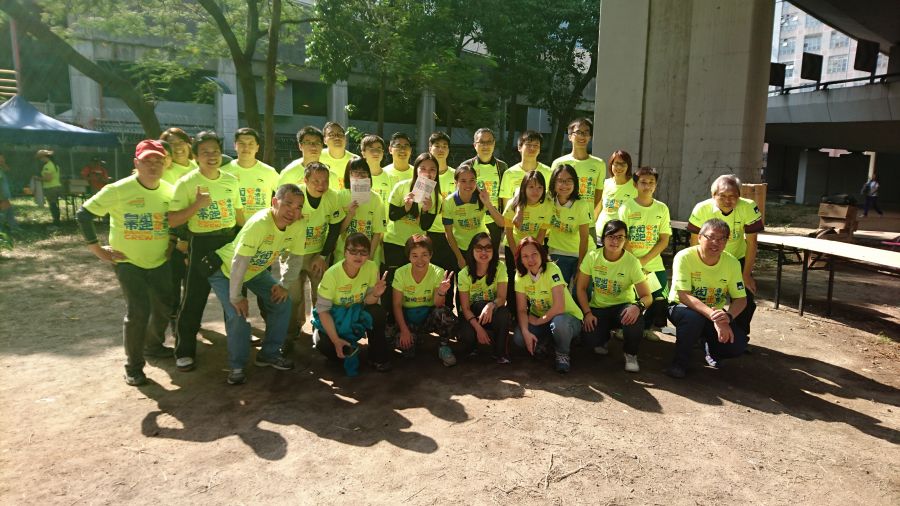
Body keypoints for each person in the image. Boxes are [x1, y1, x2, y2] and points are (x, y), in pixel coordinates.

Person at [75, 140, 175, 386]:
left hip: (160, 261)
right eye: (147, 160)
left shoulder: (169, 191)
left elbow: (176, 221)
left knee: (164, 306)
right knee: (138, 312)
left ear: (165, 164)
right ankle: (133, 367)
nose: (153, 165)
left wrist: (172, 242)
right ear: (136, 163)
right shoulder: (118, 190)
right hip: (128, 262)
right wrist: (97, 249)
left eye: (158, 161)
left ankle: (153, 345)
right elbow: (84, 215)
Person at [208, 184, 305, 385]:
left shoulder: (299, 225)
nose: (293, 211)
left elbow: (296, 258)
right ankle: (237, 366)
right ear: (274, 202)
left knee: (282, 301)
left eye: (298, 207)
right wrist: (236, 296)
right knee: (237, 313)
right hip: (226, 270)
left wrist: (285, 285)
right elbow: (239, 262)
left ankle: (269, 354)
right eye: (288, 204)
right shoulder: (259, 224)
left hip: (254, 270)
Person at [168, 131, 245, 373]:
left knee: (234, 295)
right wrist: (197, 205)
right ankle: (184, 351)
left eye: (215, 151)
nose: (211, 156)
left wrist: (245, 240)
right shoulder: (186, 183)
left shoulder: (231, 180)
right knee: (193, 299)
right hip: (201, 243)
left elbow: (238, 214)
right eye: (205, 152)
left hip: (229, 242)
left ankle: (237, 347)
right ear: (196, 156)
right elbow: (172, 220)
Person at [667, 218, 749, 379]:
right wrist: (714, 317)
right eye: (710, 237)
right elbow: (684, 295)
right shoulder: (684, 257)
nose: (715, 243)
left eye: (721, 239)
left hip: (714, 312)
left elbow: (741, 299)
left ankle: (710, 348)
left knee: (736, 345)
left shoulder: (732, 263)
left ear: (727, 241)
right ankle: (680, 363)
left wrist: (727, 317)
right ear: (699, 237)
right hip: (682, 307)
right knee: (693, 319)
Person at [687, 174, 762, 335]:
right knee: (700, 296)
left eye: (733, 196)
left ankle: (739, 334)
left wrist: (746, 274)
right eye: (722, 196)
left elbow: (752, 243)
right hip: (707, 259)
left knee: (746, 299)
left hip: (736, 259)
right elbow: (694, 241)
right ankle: (702, 334)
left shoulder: (748, 207)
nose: (728, 200)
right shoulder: (702, 208)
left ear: (739, 196)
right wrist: (696, 265)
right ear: (713, 195)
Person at [279, 161, 346, 339]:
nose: (321, 185)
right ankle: (291, 332)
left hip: (317, 253)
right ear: (305, 180)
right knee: (293, 297)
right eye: (316, 181)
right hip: (292, 252)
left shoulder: (332, 197)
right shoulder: (295, 196)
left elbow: (335, 228)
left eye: (325, 181)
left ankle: (320, 328)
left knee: (321, 294)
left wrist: (323, 256)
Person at [576, 220, 653, 373]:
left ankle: (630, 354)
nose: (615, 241)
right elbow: (581, 288)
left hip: (623, 307)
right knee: (589, 339)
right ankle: (603, 338)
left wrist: (638, 306)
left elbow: (647, 296)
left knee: (634, 318)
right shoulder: (592, 256)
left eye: (620, 237)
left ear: (626, 240)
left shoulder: (632, 262)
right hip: (599, 307)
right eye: (610, 236)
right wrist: (587, 313)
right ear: (603, 238)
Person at [312, 232, 392, 374]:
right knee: (324, 345)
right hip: (334, 316)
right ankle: (339, 346)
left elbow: (368, 302)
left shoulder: (371, 267)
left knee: (378, 312)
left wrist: (375, 294)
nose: (358, 256)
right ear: (345, 252)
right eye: (353, 251)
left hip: (356, 313)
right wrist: (336, 340)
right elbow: (323, 311)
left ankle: (377, 356)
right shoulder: (332, 274)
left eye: (363, 252)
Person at [512, 236, 583, 373]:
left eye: (534, 254)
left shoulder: (552, 269)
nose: (530, 260)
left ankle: (562, 353)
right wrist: (526, 332)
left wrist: (538, 321)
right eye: (525, 256)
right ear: (520, 259)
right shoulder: (520, 276)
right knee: (519, 337)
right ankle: (545, 343)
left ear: (541, 254)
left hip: (566, 318)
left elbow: (559, 307)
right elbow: (521, 309)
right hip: (543, 319)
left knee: (559, 323)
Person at [387, 234, 459, 367]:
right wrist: (404, 330)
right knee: (406, 351)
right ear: (408, 257)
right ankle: (414, 338)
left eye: (424, 255)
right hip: (408, 319)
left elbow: (438, 304)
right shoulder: (400, 273)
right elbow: (396, 304)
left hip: (428, 317)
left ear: (431, 255)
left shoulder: (438, 272)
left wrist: (441, 291)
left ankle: (443, 346)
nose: (420, 260)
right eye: (415, 255)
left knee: (444, 314)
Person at [382, 153, 441, 313]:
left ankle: (409, 318)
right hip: (394, 242)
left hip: (416, 246)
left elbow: (425, 225)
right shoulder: (401, 186)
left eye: (432, 169)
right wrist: (406, 208)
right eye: (423, 168)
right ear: (416, 170)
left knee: (410, 284)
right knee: (391, 282)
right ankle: (390, 319)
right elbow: (392, 215)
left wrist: (426, 210)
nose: (427, 173)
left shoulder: (436, 196)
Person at [617, 166, 671, 337]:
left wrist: (645, 261)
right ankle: (624, 328)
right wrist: (636, 263)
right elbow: (622, 238)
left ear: (656, 185)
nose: (647, 186)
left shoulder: (662, 208)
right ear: (635, 185)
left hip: (653, 263)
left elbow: (664, 239)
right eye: (643, 182)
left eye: (651, 182)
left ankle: (647, 329)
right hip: (630, 262)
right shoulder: (626, 207)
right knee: (630, 298)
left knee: (660, 298)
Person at [502, 170, 552, 316]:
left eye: (539, 187)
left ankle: (531, 313)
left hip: (535, 248)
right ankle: (512, 313)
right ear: (524, 188)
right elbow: (508, 233)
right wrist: (517, 256)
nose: (535, 191)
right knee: (514, 280)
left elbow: (542, 233)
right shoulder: (513, 205)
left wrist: (534, 254)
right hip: (513, 247)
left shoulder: (548, 206)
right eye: (531, 187)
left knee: (533, 280)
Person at [457, 232, 511, 363]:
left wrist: (491, 305)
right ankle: (473, 348)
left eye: (488, 248)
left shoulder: (500, 267)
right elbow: (465, 308)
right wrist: (478, 328)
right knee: (467, 335)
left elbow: (502, 298)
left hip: (490, 312)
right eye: (479, 248)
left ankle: (500, 353)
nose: (484, 252)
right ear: (472, 250)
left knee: (504, 313)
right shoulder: (464, 274)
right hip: (471, 315)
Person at [443, 164, 505, 270]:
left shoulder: (481, 197)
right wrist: (459, 258)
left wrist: (487, 203)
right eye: (463, 181)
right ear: (456, 182)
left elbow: (501, 223)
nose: (468, 185)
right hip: (461, 248)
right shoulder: (449, 202)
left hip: (482, 247)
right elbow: (448, 233)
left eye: (472, 180)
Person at [458, 128, 508, 249]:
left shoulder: (502, 166)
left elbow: (505, 196)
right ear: (475, 145)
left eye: (489, 142)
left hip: (494, 220)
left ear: (494, 144)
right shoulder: (466, 166)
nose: (485, 146)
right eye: (481, 142)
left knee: (492, 255)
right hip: (472, 220)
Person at [547, 164, 593, 285]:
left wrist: (581, 265)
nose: (564, 185)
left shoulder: (581, 205)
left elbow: (584, 238)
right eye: (560, 181)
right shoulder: (548, 200)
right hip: (557, 252)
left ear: (575, 183)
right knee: (559, 289)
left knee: (581, 289)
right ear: (553, 182)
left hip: (582, 253)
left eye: (569, 181)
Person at [425, 132, 458, 294]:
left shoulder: (456, 174)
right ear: (429, 148)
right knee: (431, 274)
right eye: (437, 146)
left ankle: (448, 307)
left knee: (449, 274)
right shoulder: (424, 176)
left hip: (451, 232)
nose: (441, 149)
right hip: (429, 231)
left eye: (444, 146)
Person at [336, 158, 385, 263]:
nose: (360, 176)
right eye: (355, 172)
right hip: (344, 255)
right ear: (348, 175)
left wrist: (369, 256)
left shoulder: (376, 198)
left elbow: (377, 232)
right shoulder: (340, 196)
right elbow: (337, 231)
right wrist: (350, 214)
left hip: (369, 254)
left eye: (363, 172)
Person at [550, 118, 605, 212]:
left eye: (586, 132)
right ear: (570, 137)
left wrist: (589, 215)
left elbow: (598, 195)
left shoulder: (599, 164)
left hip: (587, 218)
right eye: (578, 132)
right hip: (562, 216)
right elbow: (551, 192)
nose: (582, 136)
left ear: (590, 137)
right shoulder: (558, 163)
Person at [225, 127, 279, 219]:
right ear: (235, 146)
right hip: (232, 224)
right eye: (241, 143)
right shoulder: (224, 171)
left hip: (261, 223)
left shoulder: (269, 171)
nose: (246, 148)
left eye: (250, 144)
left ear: (257, 147)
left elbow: (285, 194)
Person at [498, 130, 551, 211]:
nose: (532, 148)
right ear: (519, 147)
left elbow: (550, 200)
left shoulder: (548, 172)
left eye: (536, 145)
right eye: (528, 144)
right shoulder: (509, 173)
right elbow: (507, 206)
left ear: (539, 149)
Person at [596, 150, 637, 235]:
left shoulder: (635, 186)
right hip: (600, 234)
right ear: (611, 165)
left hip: (621, 236)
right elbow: (597, 209)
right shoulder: (605, 183)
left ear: (628, 166)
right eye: (616, 163)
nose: (619, 167)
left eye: (623, 164)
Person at [319, 121, 358, 190]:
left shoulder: (356, 160)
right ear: (324, 140)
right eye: (331, 135)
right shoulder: (316, 157)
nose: (337, 138)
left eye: (340, 134)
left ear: (345, 139)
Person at [36, 149, 62, 226]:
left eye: (40, 158)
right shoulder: (54, 164)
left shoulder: (47, 166)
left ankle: (56, 223)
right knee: (55, 205)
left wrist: (37, 178)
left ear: (44, 157)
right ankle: (57, 222)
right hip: (56, 187)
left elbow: (48, 179)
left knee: (53, 206)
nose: (40, 160)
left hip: (51, 188)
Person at [0, 154, 19, 232]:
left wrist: (3, 163)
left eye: (3, 158)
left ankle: (13, 226)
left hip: (3, 193)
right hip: (1, 193)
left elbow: (7, 169)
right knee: (4, 210)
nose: (2, 159)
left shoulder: (1, 167)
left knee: (8, 209)